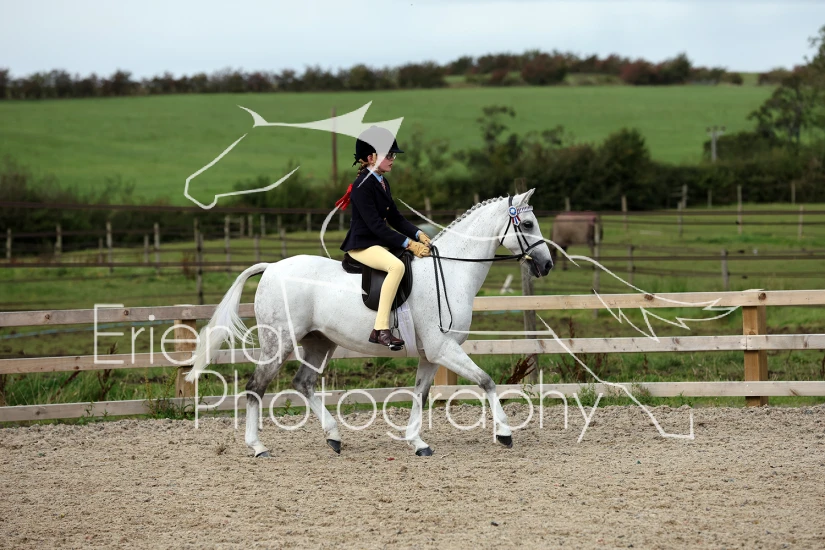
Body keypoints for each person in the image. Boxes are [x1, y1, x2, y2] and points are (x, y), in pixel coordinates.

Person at [335, 126, 431, 349]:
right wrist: (409, 244)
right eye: (388, 155)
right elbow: (377, 227)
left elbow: (395, 218)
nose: (392, 159)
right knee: (396, 267)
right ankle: (381, 329)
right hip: (362, 245)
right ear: (371, 158)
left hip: (376, 242)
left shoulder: (382, 182)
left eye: (393, 155)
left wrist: (418, 234)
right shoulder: (361, 186)